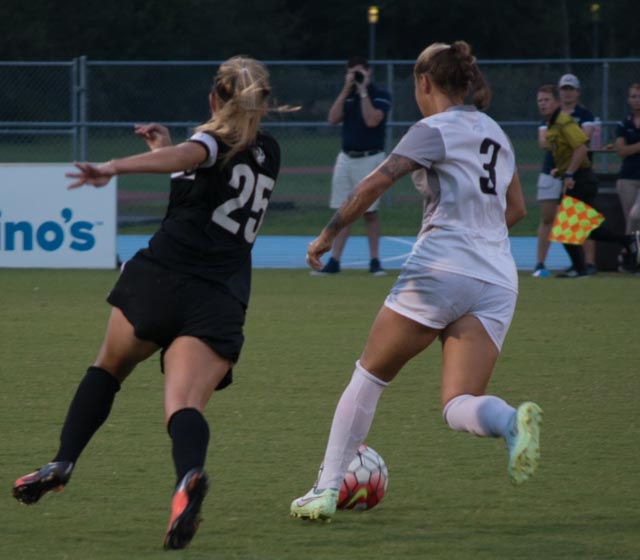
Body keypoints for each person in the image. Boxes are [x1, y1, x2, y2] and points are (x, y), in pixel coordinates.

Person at [11, 56, 284, 550]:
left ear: (213, 101)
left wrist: (112, 167)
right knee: (181, 405)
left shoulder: (207, 141)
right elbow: (200, 184)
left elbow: (192, 157)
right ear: (261, 103)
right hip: (218, 298)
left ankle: (63, 460)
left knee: (108, 368)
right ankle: (188, 477)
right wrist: (167, 148)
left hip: (159, 280)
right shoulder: (271, 152)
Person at [290, 41, 542, 523]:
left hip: (440, 269)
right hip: (497, 278)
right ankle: (510, 420)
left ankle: (324, 490)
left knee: (368, 377)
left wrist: (327, 235)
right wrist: (479, 240)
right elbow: (517, 210)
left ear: (424, 82)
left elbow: (373, 184)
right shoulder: (498, 134)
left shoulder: (432, 129)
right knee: (457, 403)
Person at [536, 84, 638, 278]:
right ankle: (625, 241)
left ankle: (580, 268)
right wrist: (562, 170)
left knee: (567, 229)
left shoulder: (564, 122)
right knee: (583, 228)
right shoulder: (552, 123)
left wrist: (569, 173)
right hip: (577, 177)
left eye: (547, 100)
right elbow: (569, 151)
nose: (543, 104)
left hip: (581, 179)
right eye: (540, 100)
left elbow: (582, 147)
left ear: (557, 102)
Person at [312, 56, 391, 276]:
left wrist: (364, 91)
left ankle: (375, 261)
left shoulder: (380, 94)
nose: (356, 76)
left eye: (359, 72)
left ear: (369, 72)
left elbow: (372, 120)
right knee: (342, 211)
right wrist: (347, 89)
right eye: (352, 72)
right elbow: (332, 118)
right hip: (347, 157)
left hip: (371, 158)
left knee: (370, 213)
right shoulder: (347, 95)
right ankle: (334, 261)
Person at [533, 74, 596, 277]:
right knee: (548, 218)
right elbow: (543, 142)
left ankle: (587, 263)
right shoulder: (551, 120)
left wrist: (561, 143)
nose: (567, 92)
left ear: (577, 92)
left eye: (571, 89)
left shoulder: (576, 116)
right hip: (552, 171)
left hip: (575, 174)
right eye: (564, 88)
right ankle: (541, 264)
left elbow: (584, 140)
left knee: (576, 219)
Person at [615, 83, 640, 252]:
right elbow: (621, 150)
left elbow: (626, 148)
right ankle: (630, 259)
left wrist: (632, 147)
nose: (637, 100)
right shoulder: (624, 123)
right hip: (628, 177)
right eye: (633, 96)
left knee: (636, 215)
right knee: (630, 222)